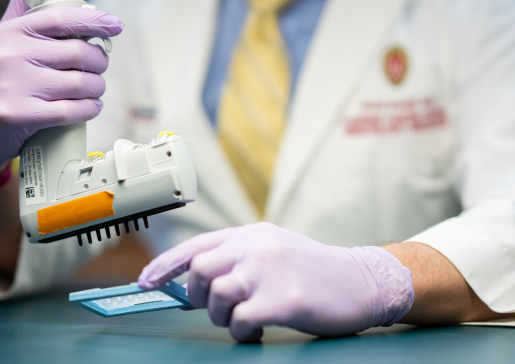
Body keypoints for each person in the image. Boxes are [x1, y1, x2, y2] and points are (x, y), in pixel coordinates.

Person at [1, 0, 515, 342]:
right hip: (204, 347)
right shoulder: (128, 15)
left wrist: (383, 278)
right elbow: (48, 225)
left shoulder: (471, 12)